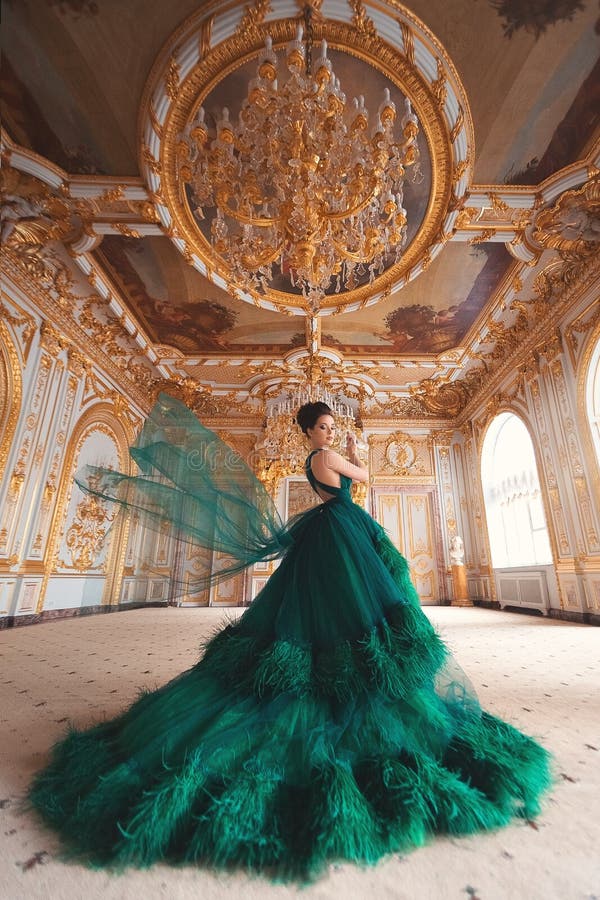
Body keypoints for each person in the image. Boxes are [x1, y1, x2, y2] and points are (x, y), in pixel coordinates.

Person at [28, 394, 552, 883]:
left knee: (339, 610)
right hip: (340, 533)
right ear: (308, 432)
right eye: (322, 425)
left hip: (334, 531)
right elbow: (365, 474)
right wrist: (349, 452)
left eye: (330, 425)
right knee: (349, 611)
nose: (328, 430)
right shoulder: (325, 456)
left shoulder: (317, 461)